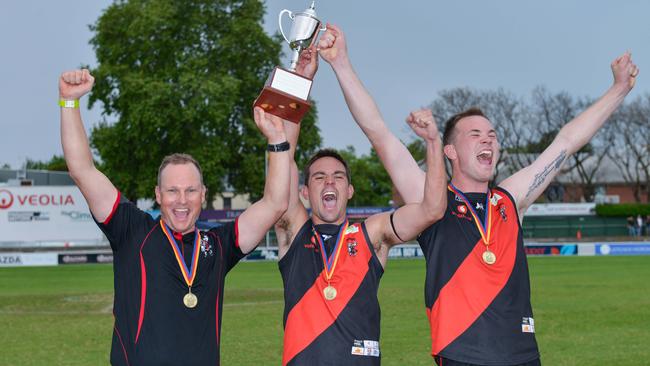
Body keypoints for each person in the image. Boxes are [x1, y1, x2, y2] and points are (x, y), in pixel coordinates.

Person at [319, 24, 639, 365]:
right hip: (462, 355)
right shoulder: (433, 200)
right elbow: (379, 134)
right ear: (451, 151)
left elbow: (566, 143)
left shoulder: (509, 200)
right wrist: (341, 64)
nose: (488, 140)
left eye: (492, 134)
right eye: (475, 134)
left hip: (523, 356)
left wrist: (618, 90)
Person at [59, 69, 291, 365]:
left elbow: (275, 204)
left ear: (203, 194)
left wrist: (278, 140)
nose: (181, 200)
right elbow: (82, 170)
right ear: (158, 195)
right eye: (172, 191)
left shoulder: (218, 246)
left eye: (190, 190)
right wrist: (69, 103)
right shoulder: (132, 230)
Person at [274, 30, 448, 365]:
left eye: (338, 177)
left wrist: (434, 143)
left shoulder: (373, 233)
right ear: (304, 192)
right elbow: (283, 151)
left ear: (349, 191)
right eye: (320, 177)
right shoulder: (292, 230)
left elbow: (432, 208)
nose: (330, 182)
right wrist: (300, 81)